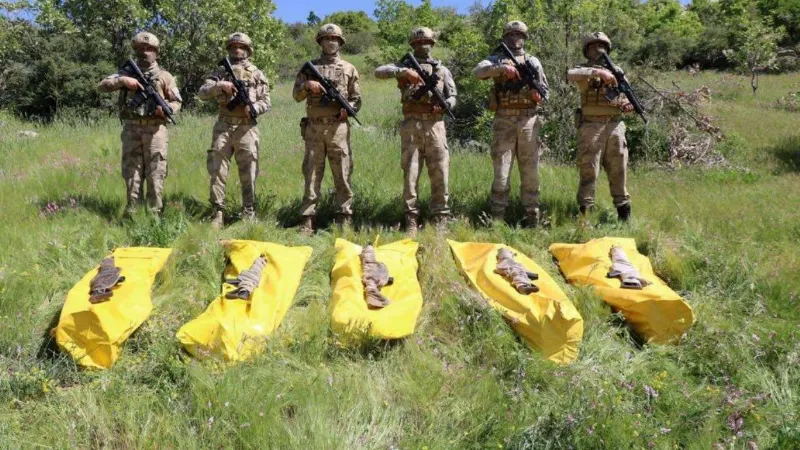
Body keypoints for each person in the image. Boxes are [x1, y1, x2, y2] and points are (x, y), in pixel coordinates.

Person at [374, 27, 456, 235]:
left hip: (436, 125)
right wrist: (402, 72)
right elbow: (379, 72)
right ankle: (411, 219)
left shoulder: (441, 70)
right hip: (411, 124)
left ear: (432, 44)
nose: (423, 45)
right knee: (411, 173)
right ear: (413, 45)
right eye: (418, 43)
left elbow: (453, 96)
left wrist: (446, 103)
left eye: (426, 42)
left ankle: (440, 218)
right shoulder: (403, 66)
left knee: (440, 172)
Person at [473, 20, 549, 228]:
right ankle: (497, 219)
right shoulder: (496, 59)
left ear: (524, 38)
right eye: (511, 35)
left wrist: (536, 95)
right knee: (501, 172)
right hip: (504, 119)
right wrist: (501, 68)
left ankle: (532, 218)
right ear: (505, 37)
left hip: (528, 119)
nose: (515, 38)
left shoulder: (533, 62)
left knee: (530, 171)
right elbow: (479, 72)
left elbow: (545, 91)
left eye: (519, 35)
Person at [97, 32, 182, 216]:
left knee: (156, 173)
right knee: (131, 172)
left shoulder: (165, 76)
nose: (145, 53)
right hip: (132, 128)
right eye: (141, 49)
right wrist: (122, 81)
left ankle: (154, 214)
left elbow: (177, 102)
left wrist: (166, 108)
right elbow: (102, 86)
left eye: (149, 49)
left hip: (155, 130)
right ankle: (133, 213)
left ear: (156, 52)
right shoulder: (126, 73)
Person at [292, 24, 361, 232]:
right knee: (312, 173)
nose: (331, 42)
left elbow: (357, 99)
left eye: (334, 39)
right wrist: (307, 86)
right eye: (327, 38)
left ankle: (343, 217)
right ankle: (307, 220)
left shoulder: (349, 68)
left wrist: (348, 110)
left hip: (338, 127)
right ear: (320, 42)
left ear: (339, 42)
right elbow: (296, 96)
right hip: (314, 128)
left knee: (342, 171)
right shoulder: (309, 68)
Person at [198, 32, 271, 228]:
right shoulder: (220, 72)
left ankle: (248, 211)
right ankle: (217, 212)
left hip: (247, 127)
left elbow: (266, 101)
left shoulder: (257, 73)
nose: (237, 50)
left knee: (249, 171)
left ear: (248, 50)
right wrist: (219, 86)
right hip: (223, 125)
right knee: (217, 170)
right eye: (233, 46)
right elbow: (202, 93)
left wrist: (254, 108)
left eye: (241, 46)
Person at [567, 32, 634, 221]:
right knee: (589, 170)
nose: (598, 49)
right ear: (587, 50)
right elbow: (570, 74)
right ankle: (585, 215)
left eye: (601, 45)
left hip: (614, 125)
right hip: (591, 126)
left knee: (619, 169)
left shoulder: (617, 70)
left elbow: (626, 93)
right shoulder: (583, 69)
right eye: (593, 46)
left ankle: (624, 215)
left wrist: (627, 104)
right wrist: (597, 72)